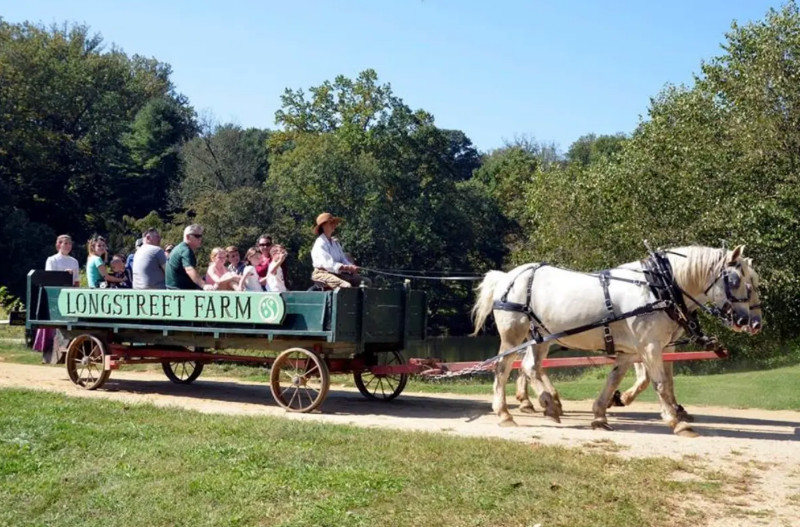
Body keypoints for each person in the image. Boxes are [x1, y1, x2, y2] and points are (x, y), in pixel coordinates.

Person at [36, 234, 80, 362]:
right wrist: (64, 274)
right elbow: (50, 278)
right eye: (64, 243)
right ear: (58, 245)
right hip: (55, 295)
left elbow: (76, 281)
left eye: (69, 243)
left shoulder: (74, 261)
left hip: (69, 294)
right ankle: (49, 353)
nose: (67, 246)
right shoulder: (52, 260)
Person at [310, 212, 369, 289]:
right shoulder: (320, 243)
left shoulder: (335, 243)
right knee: (346, 286)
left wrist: (351, 266)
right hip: (322, 274)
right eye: (331, 223)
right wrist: (346, 268)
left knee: (366, 282)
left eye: (334, 223)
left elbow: (343, 259)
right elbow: (328, 265)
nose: (334, 225)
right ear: (323, 226)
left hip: (335, 273)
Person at [166, 224, 214, 290]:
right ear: (188, 237)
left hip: (174, 290)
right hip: (180, 291)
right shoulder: (185, 250)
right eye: (197, 236)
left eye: (201, 236)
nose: (200, 239)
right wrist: (204, 285)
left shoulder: (179, 248)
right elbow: (189, 269)